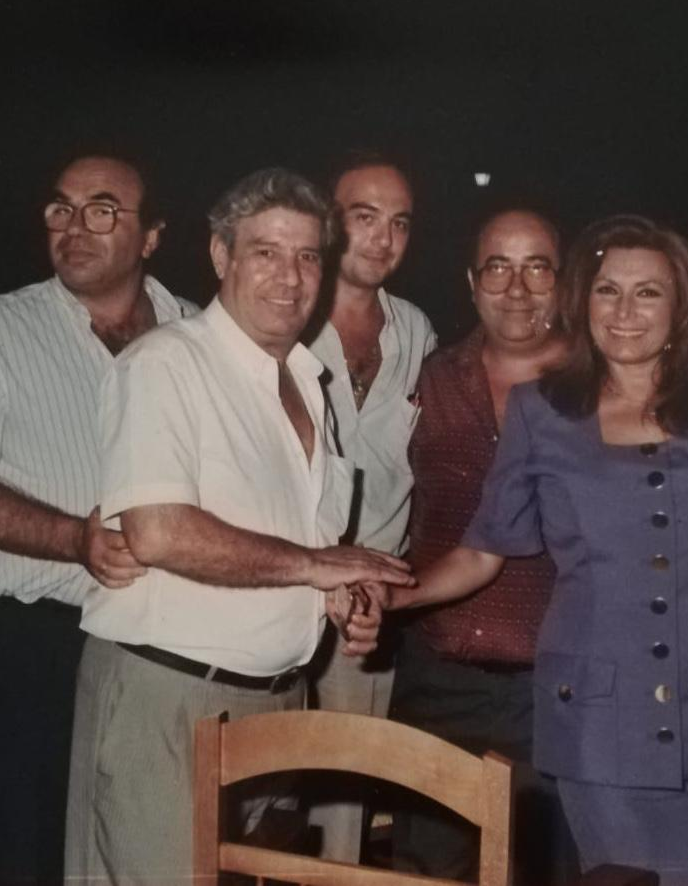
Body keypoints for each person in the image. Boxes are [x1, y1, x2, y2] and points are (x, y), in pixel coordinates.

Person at [63, 167, 413, 884]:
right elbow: (159, 532)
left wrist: (345, 599)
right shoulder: (166, 364)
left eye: (307, 256)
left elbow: (305, 548)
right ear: (221, 256)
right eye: (265, 252)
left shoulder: (307, 386)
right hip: (168, 699)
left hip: (276, 703)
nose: (289, 277)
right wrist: (319, 567)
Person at [390, 214, 688, 885]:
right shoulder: (541, 411)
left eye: (647, 292)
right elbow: (482, 550)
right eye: (606, 291)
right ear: (580, 301)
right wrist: (394, 593)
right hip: (594, 723)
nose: (623, 311)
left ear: (682, 309)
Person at [0, 154, 194, 886]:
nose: (73, 228)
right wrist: (76, 540)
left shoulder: (199, 336)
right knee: (29, 851)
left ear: (151, 235)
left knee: (150, 847)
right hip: (32, 636)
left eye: (102, 209)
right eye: (60, 210)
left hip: (168, 637)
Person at [388, 209, 577, 884]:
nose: (517, 287)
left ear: (564, 282)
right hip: (438, 682)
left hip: (560, 694)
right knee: (422, 873)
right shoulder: (426, 379)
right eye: (498, 265)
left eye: (537, 266)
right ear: (471, 282)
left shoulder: (606, 386)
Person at [305, 153, 436, 863]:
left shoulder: (416, 332)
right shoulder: (278, 314)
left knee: (342, 815)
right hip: (280, 591)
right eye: (364, 218)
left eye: (399, 224)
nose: (382, 240)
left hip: (365, 612)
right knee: (246, 801)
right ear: (328, 221)